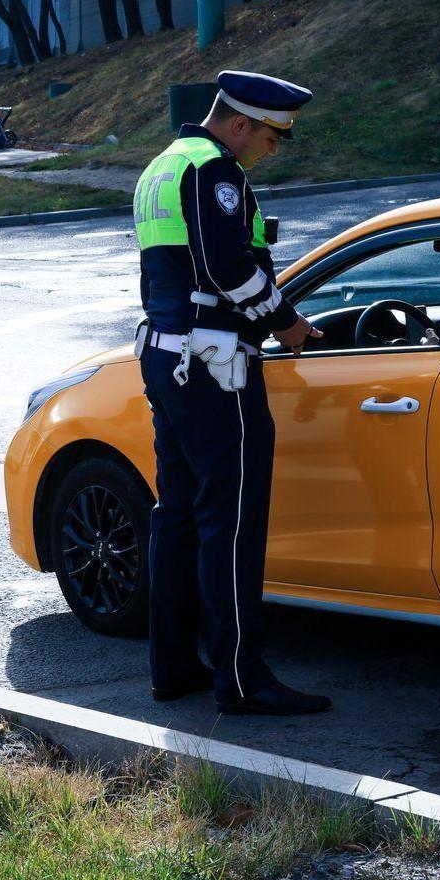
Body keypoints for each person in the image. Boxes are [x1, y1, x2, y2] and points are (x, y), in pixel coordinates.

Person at [132, 70, 328, 716]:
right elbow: (227, 267)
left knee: (178, 515)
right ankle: (243, 680)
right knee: (232, 521)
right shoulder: (214, 170)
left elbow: (168, 273)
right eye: (271, 138)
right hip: (217, 362)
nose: (272, 150)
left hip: (168, 353)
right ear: (240, 123)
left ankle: (172, 667)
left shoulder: (163, 165)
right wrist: (288, 323)